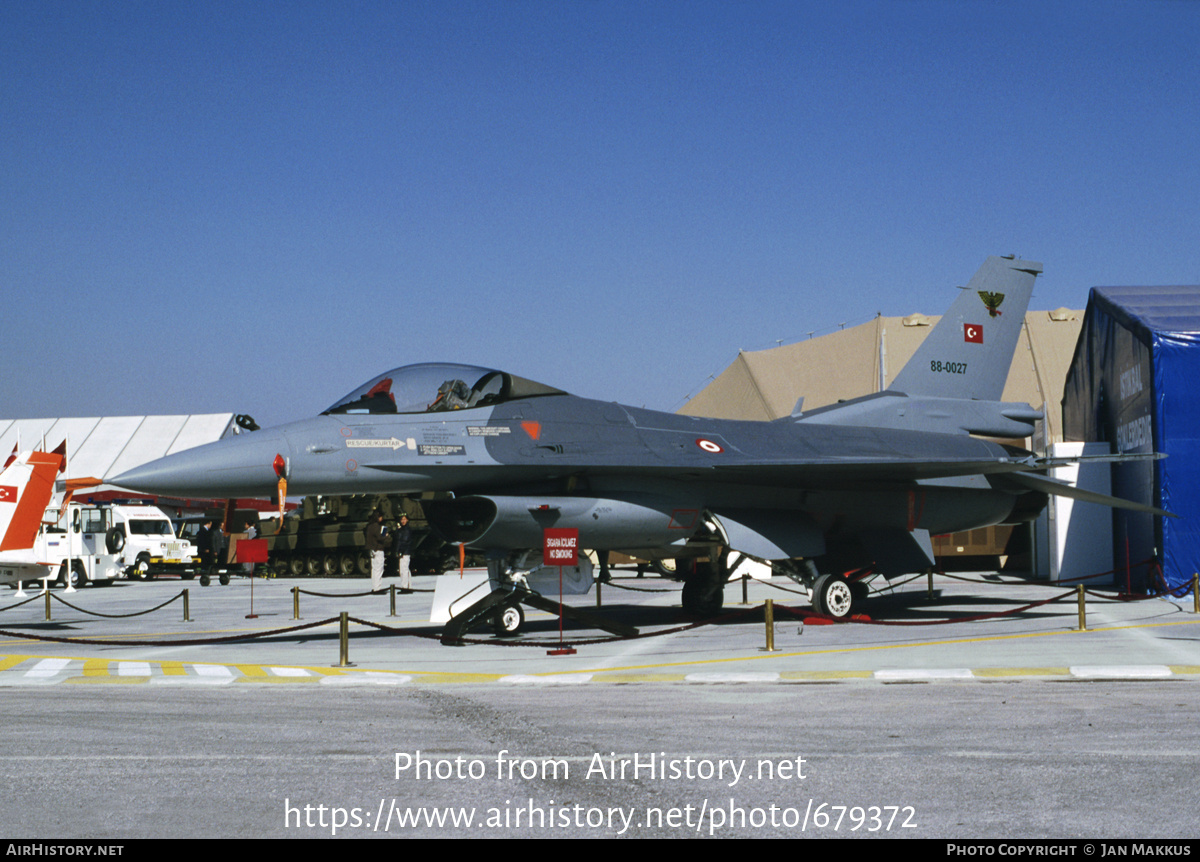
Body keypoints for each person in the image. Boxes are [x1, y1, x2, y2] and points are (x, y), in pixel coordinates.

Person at [364, 510, 387, 591]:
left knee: (374, 570)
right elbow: (380, 537)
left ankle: (374, 587)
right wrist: (385, 535)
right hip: (378, 549)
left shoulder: (369, 526)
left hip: (372, 549)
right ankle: (377, 588)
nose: (382, 518)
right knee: (379, 569)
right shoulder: (376, 526)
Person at [391, 513, 413, 593]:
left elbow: (404, 541)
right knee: (405, 570)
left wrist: (400, 551)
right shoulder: (402, 529)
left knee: (403, 570)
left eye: (404, 519)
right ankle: (408, 586)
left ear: (407, 520)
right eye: (402, 519)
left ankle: (405, 587)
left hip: (404, 552)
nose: (403, 521)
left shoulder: (406, 530)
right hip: (404, 552)